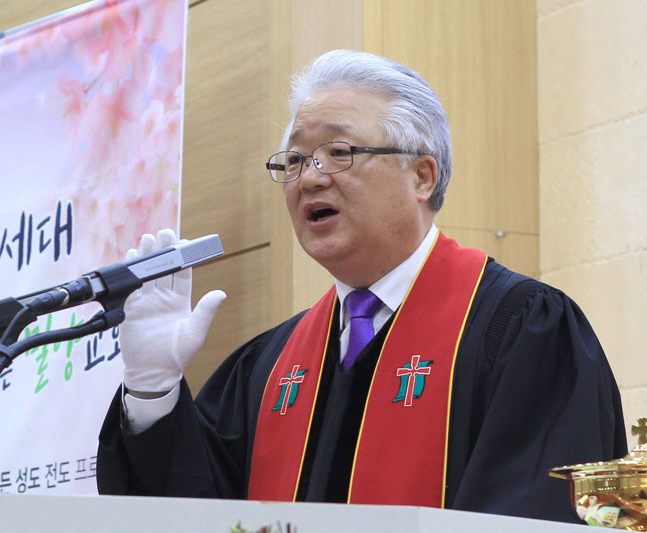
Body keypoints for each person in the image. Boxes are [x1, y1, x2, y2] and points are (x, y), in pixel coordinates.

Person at [96, 50, 626, 523]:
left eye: (339, 152)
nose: (310, 177)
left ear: (422, 177)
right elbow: (189, 515)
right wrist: (152, 392)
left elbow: (539, 514)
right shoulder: (270, 366)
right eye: (296, 160)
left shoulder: (523, 330)